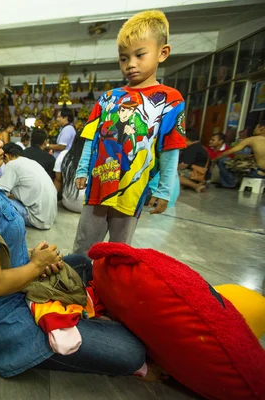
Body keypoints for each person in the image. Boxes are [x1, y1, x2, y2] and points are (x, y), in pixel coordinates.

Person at [0, 102, 145, 378]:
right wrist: (35, 266)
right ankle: (85, 321)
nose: (1, 142)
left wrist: (32, 255)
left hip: (16, 289)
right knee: (131, 352)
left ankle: (85, 315)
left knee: (80, 262)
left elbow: (0, 247)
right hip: (0, 319)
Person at [72, 10, 186, 256]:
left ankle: (108, 292)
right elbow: (91, 138)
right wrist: (82, 169)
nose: (131, 64)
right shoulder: (108, 99)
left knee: (117, 252)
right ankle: (77, 290)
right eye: (124, 58)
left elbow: (170, 148)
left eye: (139, 55)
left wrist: (164, 190)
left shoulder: (170, 100)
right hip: (97, 188)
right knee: (82, 248)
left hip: (132, 191)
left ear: (162, 53)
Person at [0, 143, 57, 229]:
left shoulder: (12, 164)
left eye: (4, 161)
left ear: (6, 156)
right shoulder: (31, 162)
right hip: (50, 217)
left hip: (37, 219)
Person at [214, 124, 265, 188]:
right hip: (262, 173)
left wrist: (215, 160)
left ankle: (230, 184)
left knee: (222, 160)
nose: (253, 130)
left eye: (256, 128)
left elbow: (230, 152)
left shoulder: (252, 139)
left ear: (262, 129)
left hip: (257, 173)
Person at [54, 135, 86, 213]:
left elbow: (58, 180)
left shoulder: (64, 154)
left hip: (67, 203)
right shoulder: (96, 157)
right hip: (87, 207)